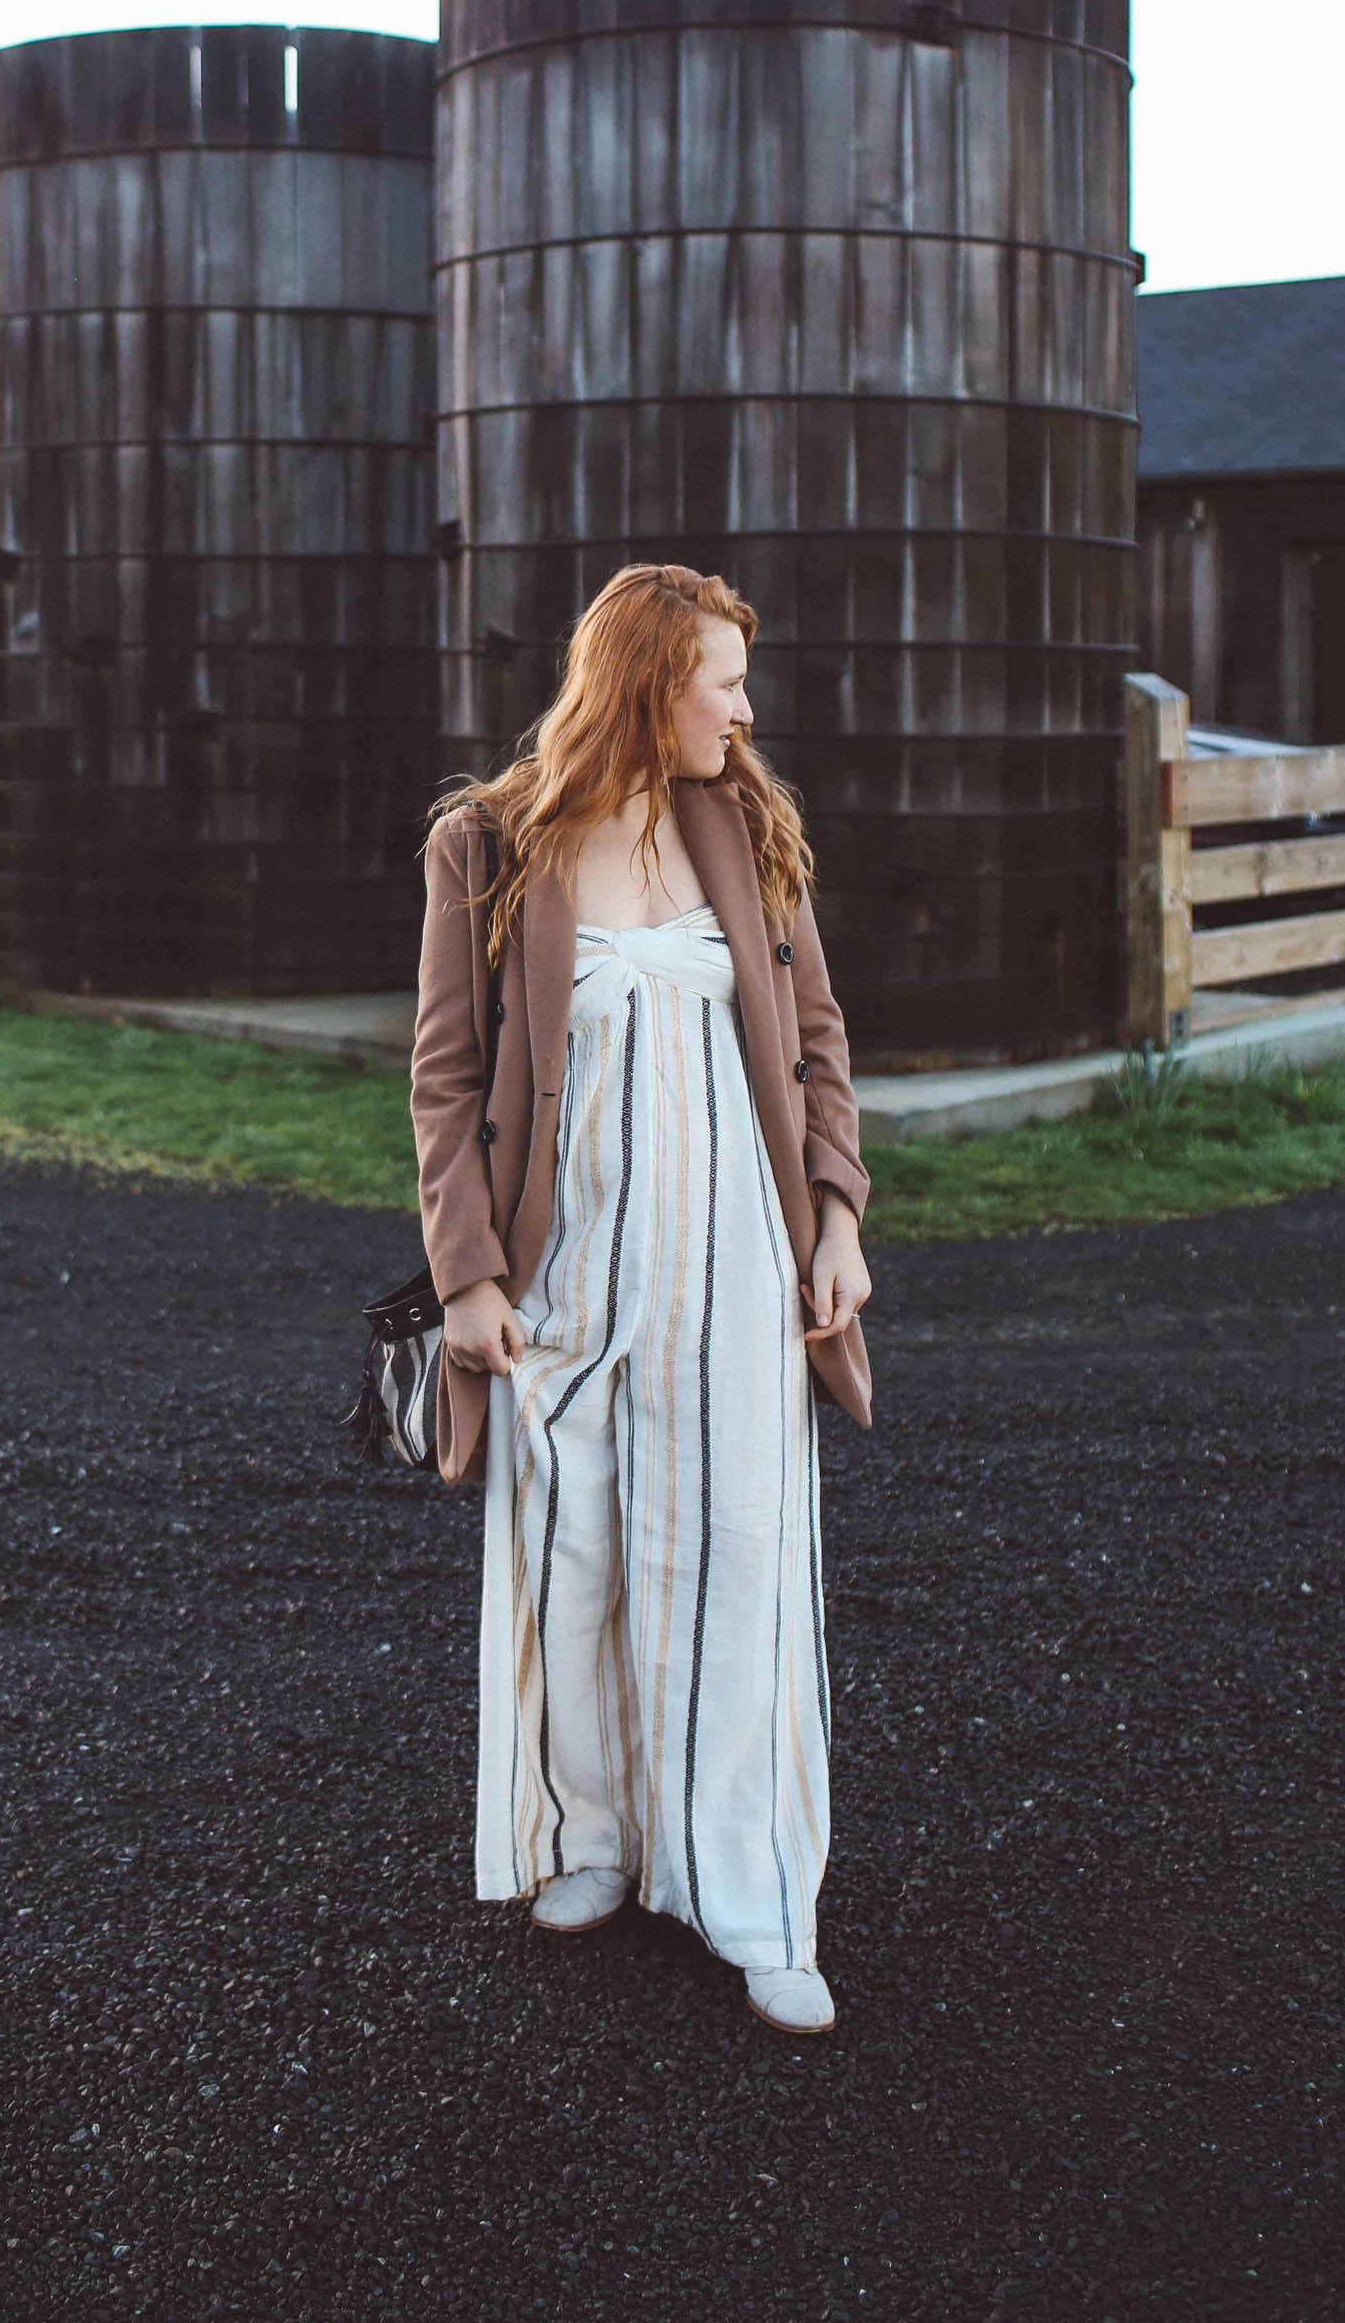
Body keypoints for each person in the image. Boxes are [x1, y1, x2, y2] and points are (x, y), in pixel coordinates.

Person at [408, 562, 874, 2037]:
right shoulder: (489, 847)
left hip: (742, 1265)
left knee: (739, 1563)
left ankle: (750, 1893)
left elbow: (817, 1042)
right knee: (578, 1555)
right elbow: (446, 1078)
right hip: (563, 1271)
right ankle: (592, 1839)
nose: (745, 708)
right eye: (722, 681)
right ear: (647, 683)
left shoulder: (749, 828)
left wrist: (843, 1221)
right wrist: (467, 1275)